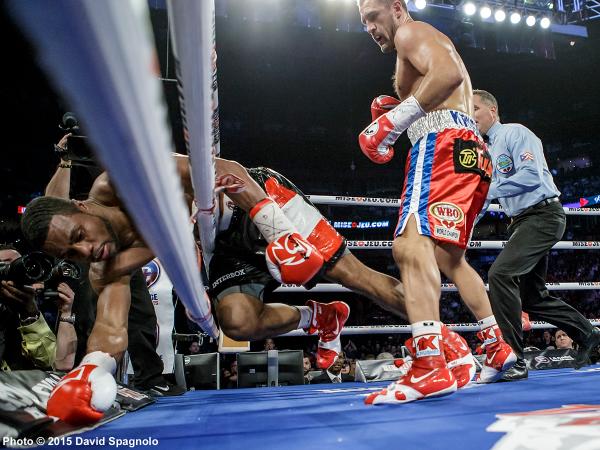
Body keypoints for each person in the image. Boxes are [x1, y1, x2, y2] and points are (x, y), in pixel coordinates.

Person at [19, 155, 369, 423]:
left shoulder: (119, 183)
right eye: (69, 254)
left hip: (242, 205)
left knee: (357, 277)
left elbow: (225, 168)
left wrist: (279, 233)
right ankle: (318, 316)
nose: (85, 251)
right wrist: (90, 370)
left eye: (79, 237)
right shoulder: (106, 265)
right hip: (212, 246)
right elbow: (111, 326)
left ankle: (424, 332)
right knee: (236, 321)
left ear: (81, 208)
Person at [356, 0, 515, 405]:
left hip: (442, 146)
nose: (369, 28)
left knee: (409, 245)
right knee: (450, 258)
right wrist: (398, 115)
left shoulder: (410, 31)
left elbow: (445, 75)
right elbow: (443, 81)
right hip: (469, 152)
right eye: (363, 23)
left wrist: (391, 123)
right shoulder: (419, 41)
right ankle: (495, 344)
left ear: (396, 8)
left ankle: (430, 365)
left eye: (373, 17)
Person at [472, 89, 600, 380]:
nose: (472, 116)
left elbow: (532, 175)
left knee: (500, 274)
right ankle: (588, 334)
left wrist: (488, 190)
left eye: (475, 109)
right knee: (532, 297)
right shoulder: (485, 151)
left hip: (542, 215)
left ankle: (514, 359)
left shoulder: (516, 133)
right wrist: (465, 226)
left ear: (492, 111)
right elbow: (483, 198)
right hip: (522, 221)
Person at [0, 245, 76, 371]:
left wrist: (29, 313)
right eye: (3, 265)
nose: (13, 270)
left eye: (16, 264)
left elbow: (49, 361)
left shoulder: (30, 304)